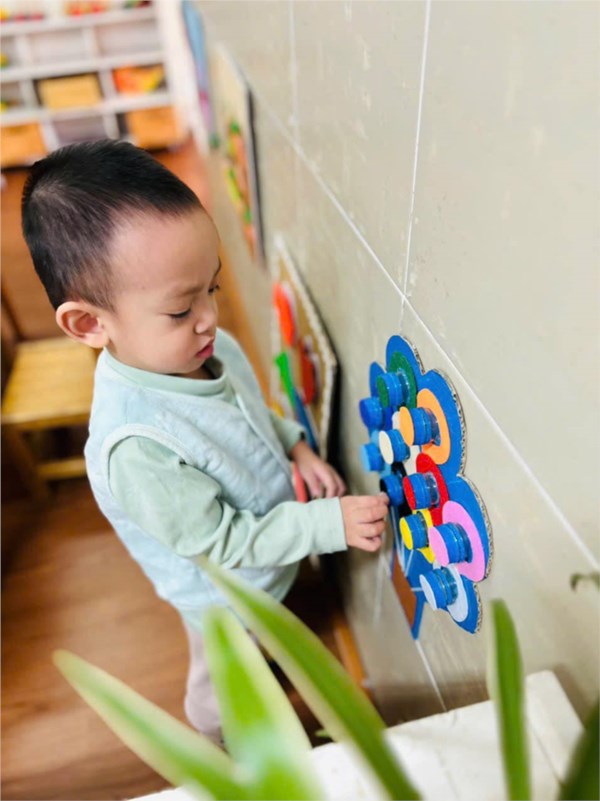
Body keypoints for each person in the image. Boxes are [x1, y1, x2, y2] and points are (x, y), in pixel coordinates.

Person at [21, 139, 389, 742]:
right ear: (90, 323)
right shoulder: (135, 448)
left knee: (271, 636)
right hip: (222, 596)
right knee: (225, 683)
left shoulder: (205, 346)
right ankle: (218, 735)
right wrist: (328, 524)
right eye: (179, 309)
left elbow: (248, 414)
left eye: (212, 288)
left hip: (270, 563)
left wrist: (294, 445)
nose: (209, 317)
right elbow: (225, 544)